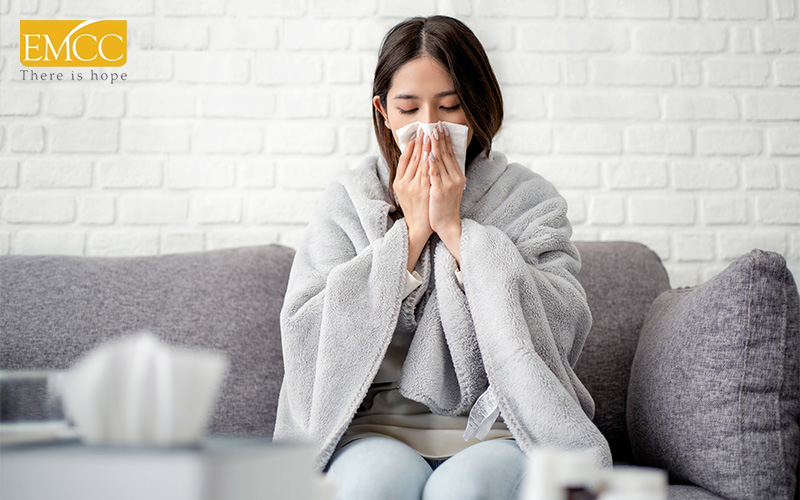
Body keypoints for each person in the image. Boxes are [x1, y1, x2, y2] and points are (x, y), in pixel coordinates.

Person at [272, 15, 611, 500]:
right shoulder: (350, 200)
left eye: (449, 106)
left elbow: (563, 322)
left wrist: (456, 232)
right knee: (372, 484)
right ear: (384, 112)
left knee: (462, 490)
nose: (429, 127)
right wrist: (411, 235)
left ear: (476, 106)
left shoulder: (529, 200)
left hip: (502, 427)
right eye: (409, 108)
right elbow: (306, 331)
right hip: (372, 430)